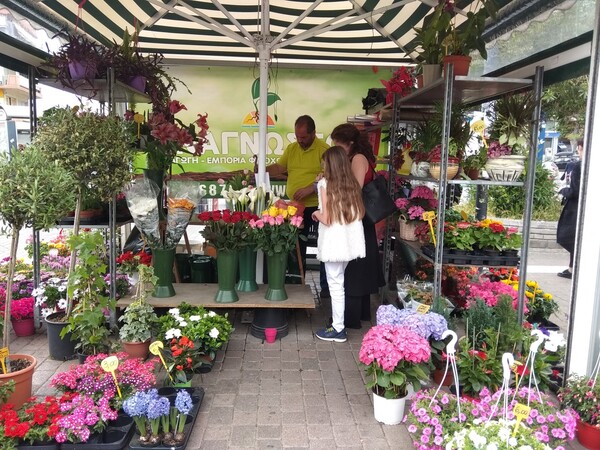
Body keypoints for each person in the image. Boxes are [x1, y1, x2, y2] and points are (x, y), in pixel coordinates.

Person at [263, 115, 330, 294]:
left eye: (304, 137)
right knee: (295, 245)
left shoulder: (324, 150)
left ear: (314, 133)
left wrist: (311, 188)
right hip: (295, 206)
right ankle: (295, 283)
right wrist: (262, 167)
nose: (300, 140)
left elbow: (330, 175)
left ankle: (325, 288)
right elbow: (280, 167)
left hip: (318, 206)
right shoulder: (292, 148)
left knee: (324, 245)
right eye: (297, 137)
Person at [330, 123, 385, 328]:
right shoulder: (359, 157)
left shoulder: (358, 159)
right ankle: (360, 314)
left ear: (350, 144)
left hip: (358, 220)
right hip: (360, 219)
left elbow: (354, 189)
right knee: (359, 267)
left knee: (354, 268)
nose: (338, 149)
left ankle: (351, 317)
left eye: (339, 145)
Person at [313, 146, 366, 342]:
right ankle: (338, 325)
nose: (322, 165)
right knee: (340, 284)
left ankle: (338, 328)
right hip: (349, 243)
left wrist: (315, 213)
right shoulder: (351, 183)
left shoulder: (324, 184)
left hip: (333, 243)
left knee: (335, 285)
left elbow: (326, 218)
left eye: (324, 162)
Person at [556, 139, 583, 279]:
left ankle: (575, 268)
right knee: (575, 239)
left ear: (580, 148)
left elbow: (575, 190)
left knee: (569, 238)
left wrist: (563, 190)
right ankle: (572, 268)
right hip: (581, 208)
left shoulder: (578, 166)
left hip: (574, 209)